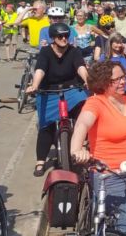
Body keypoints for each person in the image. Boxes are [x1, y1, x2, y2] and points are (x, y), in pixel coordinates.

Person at [70, 61, 126, 236]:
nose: (123, 82)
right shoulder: (96, 103)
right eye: (117, 79)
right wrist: (78, 149)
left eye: (124, 77)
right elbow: (82, 124)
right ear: (103, 82)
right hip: (109, 175)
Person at [25, 23, 90, 176]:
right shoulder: (46, 52)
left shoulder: (74, 51)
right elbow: (40, 69)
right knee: (45, 125)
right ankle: (40, 160)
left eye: (66, 36)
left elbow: (80, 66)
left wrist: (87, 79)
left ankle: (82, 144)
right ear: (53, 38)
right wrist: (34, 85)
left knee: (84, 110)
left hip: (72, 89)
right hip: (49, 90)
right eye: (60, 36)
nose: (64, 39)